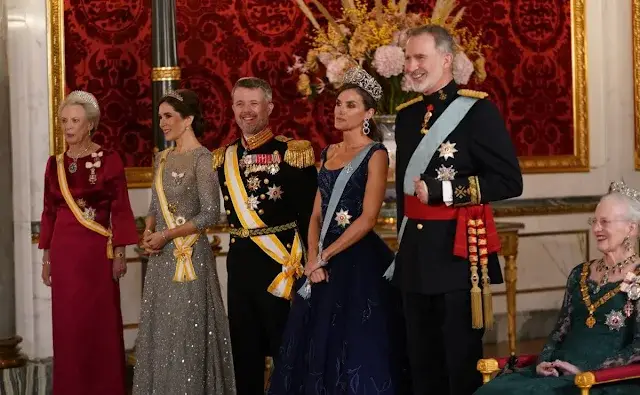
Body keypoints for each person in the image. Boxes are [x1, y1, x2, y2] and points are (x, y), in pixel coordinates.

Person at [387, 25, 523, 395]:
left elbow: (510, 182)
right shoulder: (407, 116)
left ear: (446, 60)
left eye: (420, 58)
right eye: (408, 58)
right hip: (415, 258)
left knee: (458, 364)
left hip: (457, 256)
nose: (412, 67)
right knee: (420, 363)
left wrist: (444, 190)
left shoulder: (477, 111)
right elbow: (404, 197)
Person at [267, 67, 410, 395]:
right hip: (320, 257)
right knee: (313, 340)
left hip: (356, 256)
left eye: (350, 105)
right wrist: (313, 255)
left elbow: (368, 218)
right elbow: (316, 213)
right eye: (338, 105)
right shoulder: (329, 152)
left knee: (354, 341)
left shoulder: (376, 154)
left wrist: (325, 257)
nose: (339, 111)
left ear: (368, 113)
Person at [474, 181, 640, 395]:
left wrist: (586, 372)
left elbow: (638, 348)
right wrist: (544, 362)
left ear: (631, 228)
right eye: (594, 221)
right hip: (557, 372)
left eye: (605, 222)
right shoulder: (580, 274)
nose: (596, 229)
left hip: (602, 381)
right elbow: (559, 331)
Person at [213, 77, 318, 395]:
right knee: (245, 352)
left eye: (254, 103)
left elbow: (308, 215)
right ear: (232, 109)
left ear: (269, 107)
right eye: (240, 104)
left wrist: (310, 260)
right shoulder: (223, 157)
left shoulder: (292, 153)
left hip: (281, 266)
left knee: (286, 347)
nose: (247, 111)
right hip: (241, 266)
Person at [132, 89, 236, 394]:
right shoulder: (161, 158)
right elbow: (154, 207)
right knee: (162, 333)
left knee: (187, 332)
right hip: (161, 260)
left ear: (188, 119)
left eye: (169, 116)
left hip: (189, 258)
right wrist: (149, 232)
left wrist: (167, 235)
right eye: (160, 116)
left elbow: (210, 214)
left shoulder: (203, 158)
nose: (162, 123)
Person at [38, 90, 138, 395]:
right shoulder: (54, 164)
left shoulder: (108, 160)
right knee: (68, 328)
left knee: (100, 325)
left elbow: (120, 208)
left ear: (90, 124)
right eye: (65, 121)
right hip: (64, 254)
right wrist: (46, 259)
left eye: (75, 121)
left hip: (97, 255)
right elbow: (48, 211)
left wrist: (120, 252)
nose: (68, 127)